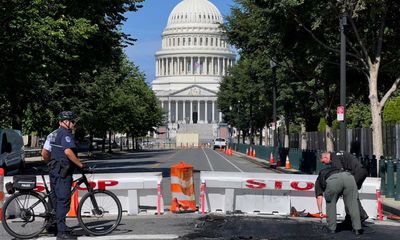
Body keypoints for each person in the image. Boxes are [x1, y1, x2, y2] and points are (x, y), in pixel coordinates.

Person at [47, 111, 85, 240]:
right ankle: (61, 233)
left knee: (56, 200)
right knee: (63, 201)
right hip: (62, 172)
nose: (73, 124)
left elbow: (45, 152)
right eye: (72, 121)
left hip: (55, 170)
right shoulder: (65, 134)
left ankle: (54, 226)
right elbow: (68, 151)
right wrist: (80, 164)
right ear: (65, 122)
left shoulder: (55, 134)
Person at [320, 151, 369, 225]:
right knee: (350, 194)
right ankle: (349, 218)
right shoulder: (337, 155)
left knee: (348, 193)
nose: (325, 164)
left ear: (325, 157)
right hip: (361, 171)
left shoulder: (334, 158)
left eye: (324, 162)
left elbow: (340, 173)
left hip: (357, 172)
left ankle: (361, 215)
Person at [315, 166, 363, 235]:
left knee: (331, 204)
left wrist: (320, 212)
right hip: (349, 177)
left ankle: (332, 228)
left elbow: (319, 197)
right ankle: (357, 229)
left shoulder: (318, 180)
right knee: (353, 204)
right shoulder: (334, 170)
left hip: (333, 180)